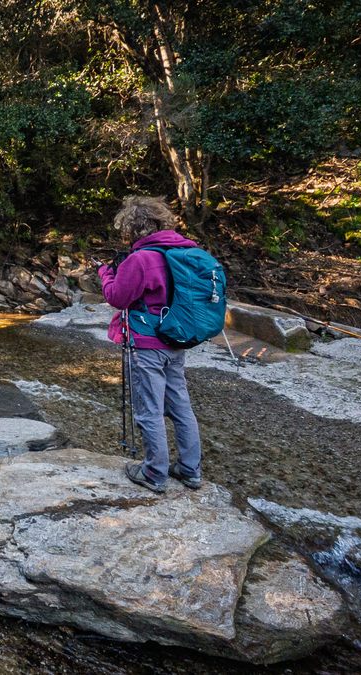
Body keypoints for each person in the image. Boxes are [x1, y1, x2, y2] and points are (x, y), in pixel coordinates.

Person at [98, 196, 204, 494]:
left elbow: (118, 297)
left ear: (132, 227)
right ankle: (190, 469)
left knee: (149, 410)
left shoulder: (142, 259)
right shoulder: (186, 251)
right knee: (181, 406)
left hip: (146, 343)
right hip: (177, 339)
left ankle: (155, 473)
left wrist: (105, 273)